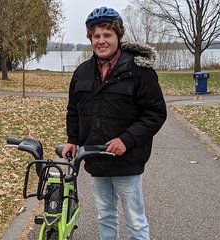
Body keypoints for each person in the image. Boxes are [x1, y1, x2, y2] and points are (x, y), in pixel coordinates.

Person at [62, 6, 167, 240]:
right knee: (105, 216)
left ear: (119, 36)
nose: (101, 41)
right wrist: (73, 139)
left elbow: (155, 113)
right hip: (95, 158)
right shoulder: (82, 72)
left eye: (107, 35)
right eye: (96, 36)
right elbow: (74, 110)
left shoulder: (139, 70)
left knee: (136, 221)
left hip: (126, 160)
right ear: (90, 38)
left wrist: (126, 140)